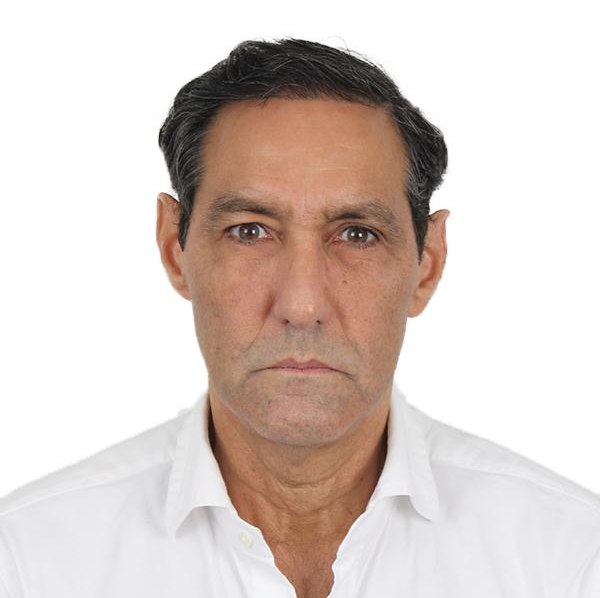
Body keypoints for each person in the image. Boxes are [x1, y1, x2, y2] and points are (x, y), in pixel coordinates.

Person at [0, 37, 598, 598]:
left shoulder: (569, 560)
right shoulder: (30, 562)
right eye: (250, 232)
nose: (302, 306)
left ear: (428, 263)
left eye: (357, 234)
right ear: (173, 248)